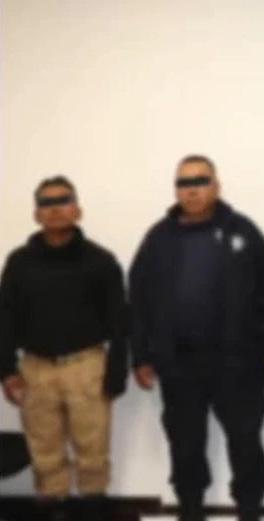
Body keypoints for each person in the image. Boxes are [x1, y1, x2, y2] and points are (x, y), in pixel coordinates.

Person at [129, 155, 264, 521]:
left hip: (237, 362)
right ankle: (191, 508)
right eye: (184, 183)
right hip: (179, 364)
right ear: (176, 190)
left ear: (216, 186)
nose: (192, 190)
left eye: (200, 181)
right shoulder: (158, 238)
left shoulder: (242, 231)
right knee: (185, 445)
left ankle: (250, 509)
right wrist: (142, 355)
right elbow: (138, 299)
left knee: (245, 441)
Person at [0, 176, 129, 521]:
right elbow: (5, 318)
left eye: (62, 201)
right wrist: (7, 371)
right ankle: (52, 509)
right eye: (46, 203)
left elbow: (120, 322)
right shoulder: (19, 263)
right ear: (36, 214)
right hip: (36, 369)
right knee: (44, 453)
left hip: (86, 366)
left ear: (77, 210)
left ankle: (92, 510)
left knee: (92, 450)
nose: (54, 209)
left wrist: (116, 373)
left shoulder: (101, 261)